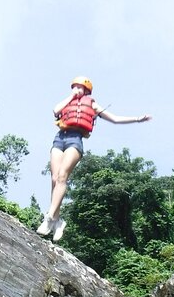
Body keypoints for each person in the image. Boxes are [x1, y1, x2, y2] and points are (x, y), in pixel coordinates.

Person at [36, 76, 152, 242]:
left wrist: (137, 119)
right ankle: (58, 220)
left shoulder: (92, 104)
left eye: (80, 88)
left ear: (86, 91)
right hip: (60, 138)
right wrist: (72, 97)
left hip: (75, 140)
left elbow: (115, 119)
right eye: (75, 87)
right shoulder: (67, 102)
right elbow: (55, 111)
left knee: (62, 176)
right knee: (54, 179)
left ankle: (49, 218)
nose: (77, 89)